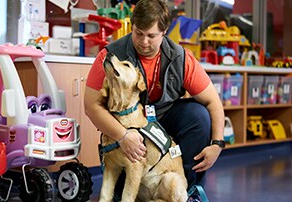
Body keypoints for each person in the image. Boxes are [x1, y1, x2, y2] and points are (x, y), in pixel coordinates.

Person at [84, 0, 225, 200]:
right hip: (128, 125)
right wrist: (123, 136)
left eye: (151, 36)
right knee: (125, 191)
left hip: (164, 120)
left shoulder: (180, 58)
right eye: (138, 33)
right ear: (132, 27)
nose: (143, 42)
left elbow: (213, 102)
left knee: (198, 115)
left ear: (164, 31)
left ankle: (184, 191)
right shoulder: (111, 56)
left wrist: (217, 144)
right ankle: (128, 184)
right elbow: (91, 105)